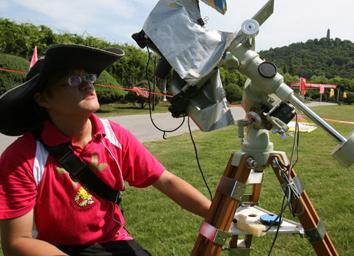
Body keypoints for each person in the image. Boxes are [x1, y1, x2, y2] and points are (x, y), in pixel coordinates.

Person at [0, 44, 211, 256]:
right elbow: (17, 241)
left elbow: (165, 180)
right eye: (73, 79)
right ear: (43, 99)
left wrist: (216, 213)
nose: (87, 85)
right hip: (52, 248)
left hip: (113, 240)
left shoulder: (115, 136)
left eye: (88, 77)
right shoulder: (21, 158)